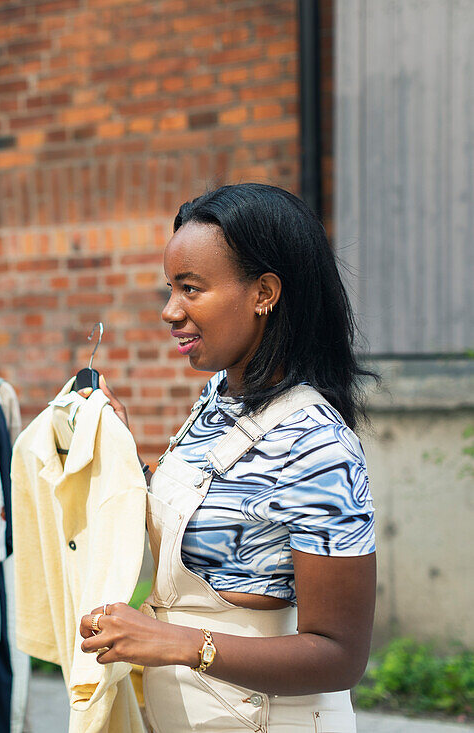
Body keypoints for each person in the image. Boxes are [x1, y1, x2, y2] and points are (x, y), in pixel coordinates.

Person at [77, 183, 378, 732]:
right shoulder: (218, 399)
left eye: (191, 289)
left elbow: (341, 656)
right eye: (171, 289)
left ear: (264, 292)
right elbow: (213, 521)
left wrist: (178, 642)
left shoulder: (317, 446)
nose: (170, 311)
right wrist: (119, 453)